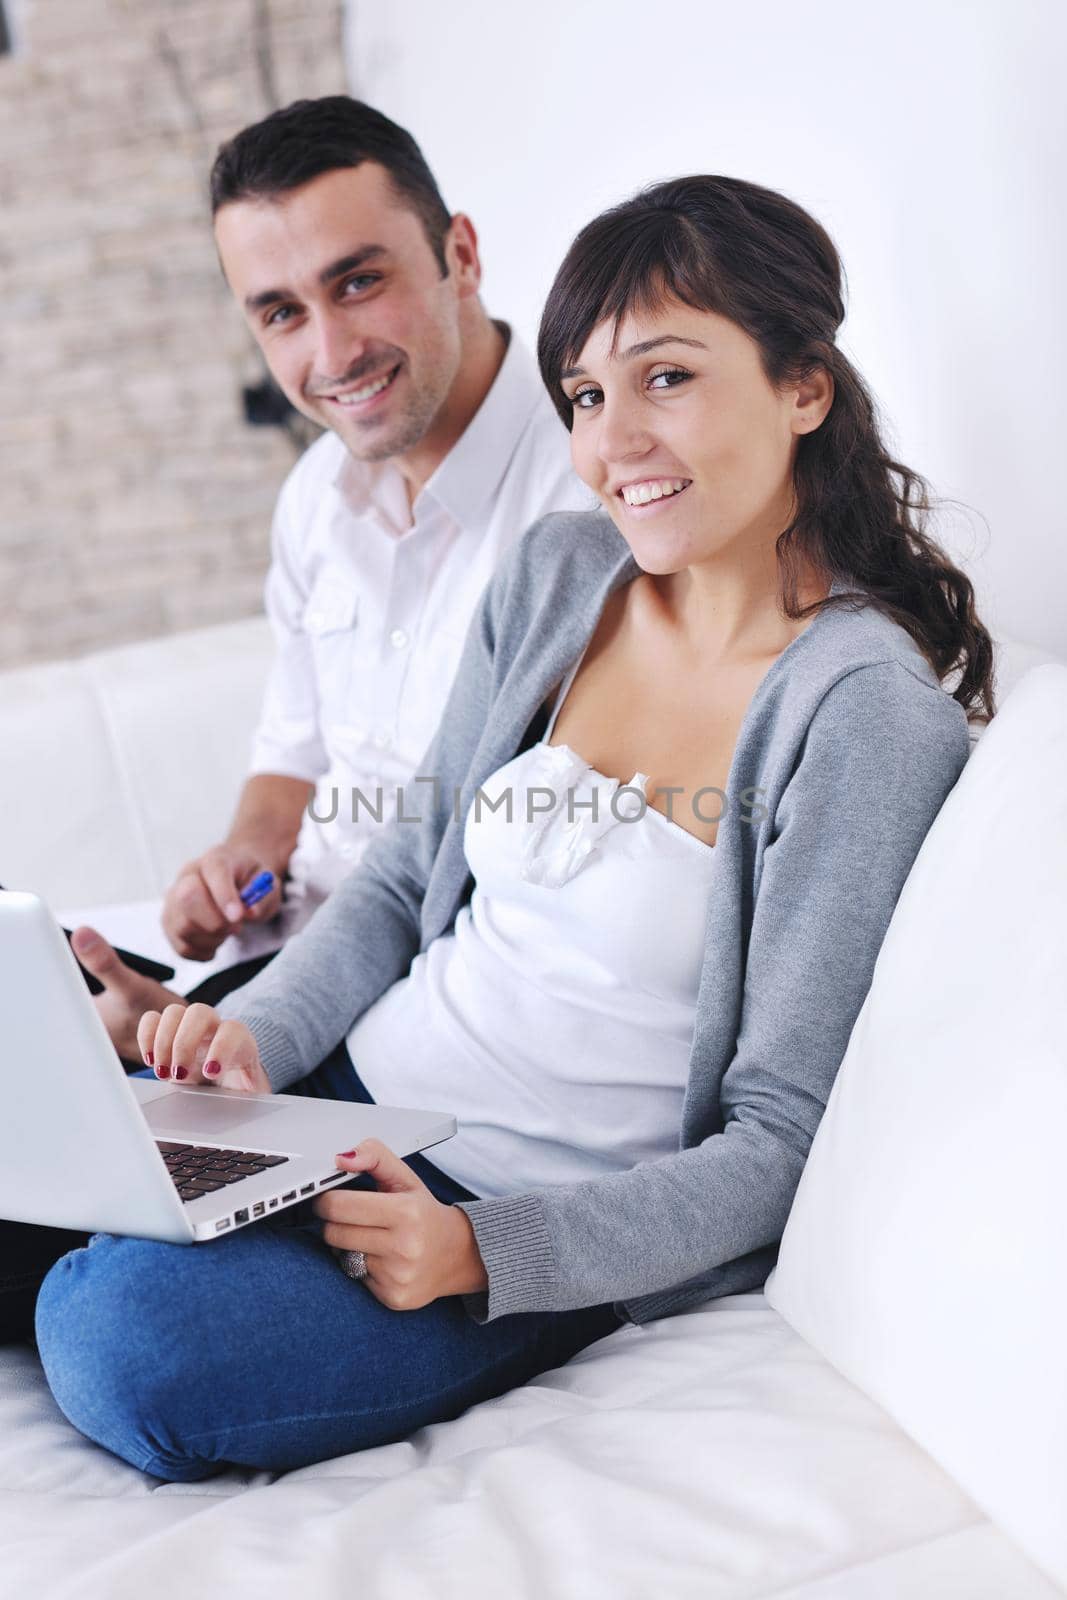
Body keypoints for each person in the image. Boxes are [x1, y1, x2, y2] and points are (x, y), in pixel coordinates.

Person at [13, 174, 994, 1481]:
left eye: (665, 379)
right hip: (337, 1100)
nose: (613, 443)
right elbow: (402, 875)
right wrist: (257, 1037)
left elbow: (772, 1142)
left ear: (801, 386)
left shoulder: (861, 715)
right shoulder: (558, 574)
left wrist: (488, 1256)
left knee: (121, 1337)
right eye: (585, 397)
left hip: (497, 1212)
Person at [70, 95, 587, 1057]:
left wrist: (222, 1035)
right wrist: (236, 869)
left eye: (357, 283)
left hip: (409, 1000)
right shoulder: (316, 495)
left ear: (461, 256)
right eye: (280, 313)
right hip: (275, 969)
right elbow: (292, 763)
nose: (331, 355)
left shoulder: (591, 492)